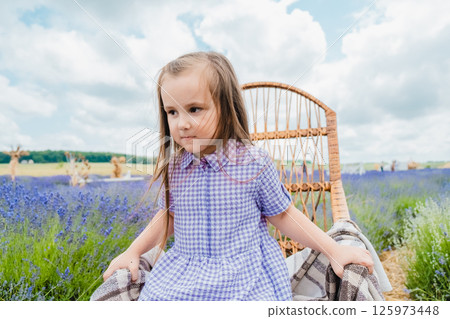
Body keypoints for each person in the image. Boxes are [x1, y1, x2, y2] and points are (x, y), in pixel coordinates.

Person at [102, 51, 374, 301]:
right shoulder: (176, 169)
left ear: (226, 107)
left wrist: (333, 251)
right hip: (186, 272)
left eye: (194, 109)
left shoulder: (252, 163)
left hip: (244, 275)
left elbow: (284, 215)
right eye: (172, 112)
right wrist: (133, 251)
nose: (182, 123)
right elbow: (167, 218)